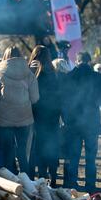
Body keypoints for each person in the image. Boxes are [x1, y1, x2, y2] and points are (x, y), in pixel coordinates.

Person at [0, 46, 39, 175]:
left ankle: (10, 181)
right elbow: (35, 98)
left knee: (7, 152)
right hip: (25, 119)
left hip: (4, 120)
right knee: (22, 152)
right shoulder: (29, 75)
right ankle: (26, 181)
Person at [63, 51, 101, 190]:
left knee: (73, 155)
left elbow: (62, 101)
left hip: (72, 122)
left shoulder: (68, 76)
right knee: (90, 156)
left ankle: (71, 184)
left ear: (77, 61)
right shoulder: (97, 77)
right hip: (91, 122)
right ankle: (90, 185)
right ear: (89, 62)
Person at [29, 46, 62, 186]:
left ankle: (42, 177)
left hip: (37, 116)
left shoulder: (33, 73)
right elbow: (60, 96)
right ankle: (53, 177)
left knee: (40, 147)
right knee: (52, 146)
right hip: (53, 116)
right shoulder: (54, 74)